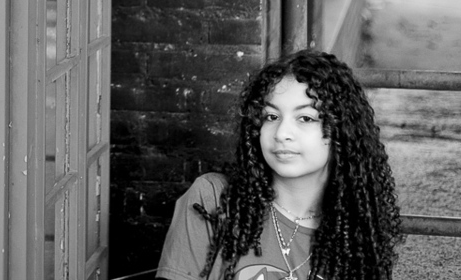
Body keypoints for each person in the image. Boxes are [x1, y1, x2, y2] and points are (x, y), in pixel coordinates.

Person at [156, 49, 403, 280]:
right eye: (271, 117)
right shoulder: (212, 199)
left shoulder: (355, 235)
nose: (282, 132)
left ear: (343, 131)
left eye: (305, 118)